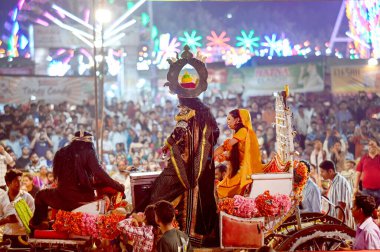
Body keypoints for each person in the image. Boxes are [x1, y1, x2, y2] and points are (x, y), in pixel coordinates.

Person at [149, 97, 219, 245]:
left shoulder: (187, 113)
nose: (179, 107)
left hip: (187, 164)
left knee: (158, 191)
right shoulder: (206, 116)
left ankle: (165, 230)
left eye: (180, 103)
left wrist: (167, 145)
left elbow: (178, 132)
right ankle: (195, 236)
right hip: (204, 166)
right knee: (201, 197)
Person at [29, 131, 125, 228]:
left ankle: (41, 223)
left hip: (62, 199)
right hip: (83, 200)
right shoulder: (89, 151)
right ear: (88, 142)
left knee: (40, 196)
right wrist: (119, 186)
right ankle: (44, 224)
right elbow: (99, 173)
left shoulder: (60, 152)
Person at [214, 109, 263, 199]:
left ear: (237, 120)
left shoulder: (243, 131)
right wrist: (222, 157)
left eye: (229, 119)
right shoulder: (237, 132)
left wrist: (212, 154)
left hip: (245, 169)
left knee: (222, 190)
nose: (227, 122)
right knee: (221, 189)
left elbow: (226, 146)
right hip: (239, 167)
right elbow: (234, 154)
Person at [0, 169, 34, 248]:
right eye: (16, 181)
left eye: (20, 181)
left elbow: (35, 219)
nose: (19, 184)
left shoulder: (28, 197)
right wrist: (7, 220)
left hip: (23, 237)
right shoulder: (1, 199)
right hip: (7, 237)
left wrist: (24, 218)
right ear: (8, 183)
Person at [319, 160, 354, 227]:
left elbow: (342, 205)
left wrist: (338, 224)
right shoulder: (333, 181)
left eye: (322, 172)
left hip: (341, 223)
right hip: (335, 221)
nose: (321, 174)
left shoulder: (340, 182)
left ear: (330, 171)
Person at [355, 138, 380, 207]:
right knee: (367, 210)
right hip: (366, 190)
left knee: (378, 212)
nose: (371, 146)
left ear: (377, 146)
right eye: (369, 145)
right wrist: (355, 187)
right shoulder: (364, 158)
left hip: (379, 190)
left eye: (373, 145)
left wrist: (376, 147)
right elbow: (358, 173)